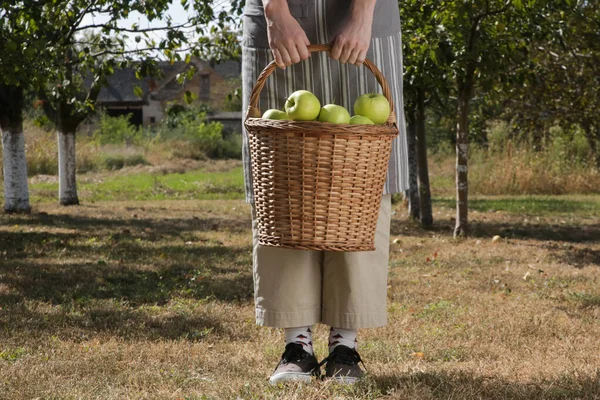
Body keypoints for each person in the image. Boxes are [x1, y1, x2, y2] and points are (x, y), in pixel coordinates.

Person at [241, 0, 409, 384]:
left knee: (360, 172)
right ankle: (296, 345)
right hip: (279, 13)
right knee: (282, 178)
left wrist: (363, 14)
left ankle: (344, 345)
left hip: (361, 13)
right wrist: (275, 13)